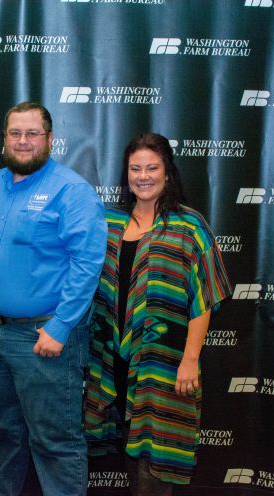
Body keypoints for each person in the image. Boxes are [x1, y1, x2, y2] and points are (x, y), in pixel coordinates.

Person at [0, 101, 106, 495]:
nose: (23, 141)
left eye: (32, 133)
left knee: (55, 443)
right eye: (15, 133)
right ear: (4, 138)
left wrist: (60, 327)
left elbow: (87, 263)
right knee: (5, 435)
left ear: (50, 139)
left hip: (43, 338)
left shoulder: (71, 191)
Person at [83, 133, 232, 495]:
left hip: (166, 364)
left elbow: (204, 299)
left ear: (167, 172)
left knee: (157, 459)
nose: (143, 176)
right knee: (127, 449)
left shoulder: (189, 226)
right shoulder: (109, 223)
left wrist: (190, 360)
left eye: (152, 168)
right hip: (113, 362)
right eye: (135, 169)